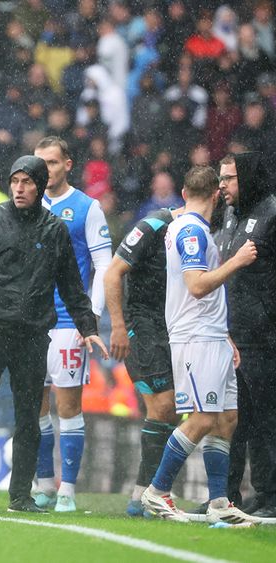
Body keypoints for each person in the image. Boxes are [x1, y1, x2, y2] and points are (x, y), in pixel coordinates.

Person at [0, 155, 107, 513]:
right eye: (15, 181)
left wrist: (88, 328)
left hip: (32, 336)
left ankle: (20, 496)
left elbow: (72, 287)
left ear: (40, 185)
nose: (19, 188)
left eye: (27, 182)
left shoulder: (55, 229)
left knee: (29, 418)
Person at [140, 166, 260, 526]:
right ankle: (157, 491)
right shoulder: (191, 231)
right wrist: (237, 261)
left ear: (182, 190)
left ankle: (220, 502)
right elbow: (196, 285)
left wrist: (224, 333)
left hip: (211, 334)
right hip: (195, 337)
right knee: (204, 417)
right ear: (216, 195)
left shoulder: (189, 227)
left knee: (226, 419)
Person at [33, 136, 112, 513]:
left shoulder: (86, 208)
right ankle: (44, 484)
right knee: (34, 405)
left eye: (51, 162)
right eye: (39, 163)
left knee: (67, 407)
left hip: (67, 321)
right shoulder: (25, 206)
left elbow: (104, 267)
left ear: (67, 164)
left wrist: (89, 318)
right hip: (29, 323)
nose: (44, 170)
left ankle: (67, 489)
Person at [105, 205, 183, 518]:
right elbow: (113, 272)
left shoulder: (206, 229)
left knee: (173, 410)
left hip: (175, 327)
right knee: (162, 407)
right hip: (141, 324)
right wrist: (119, 325)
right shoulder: (153, 225)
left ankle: (148, 493)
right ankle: (145, 495)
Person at [215, 152, 276, 518]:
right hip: (233, 334)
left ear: (249, 178)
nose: (222, 185)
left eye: (230, 178)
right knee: (241, 421)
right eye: (221, 179)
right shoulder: (230, 214)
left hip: (265, 336)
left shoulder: (272, 214)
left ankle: (273, 495)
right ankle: (242, 494)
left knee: (268, 418)